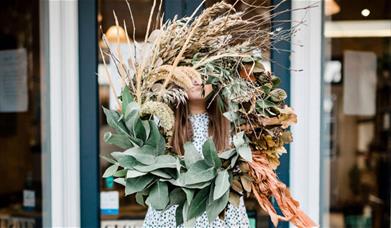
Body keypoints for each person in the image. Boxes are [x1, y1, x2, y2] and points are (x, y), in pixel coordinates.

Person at [143, 77, 250, 227]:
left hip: (219, 217)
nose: (197, 81)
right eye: (189, 75)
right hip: (172, 217)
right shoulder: (162, 123)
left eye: (204, 76)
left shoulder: (232, 124)